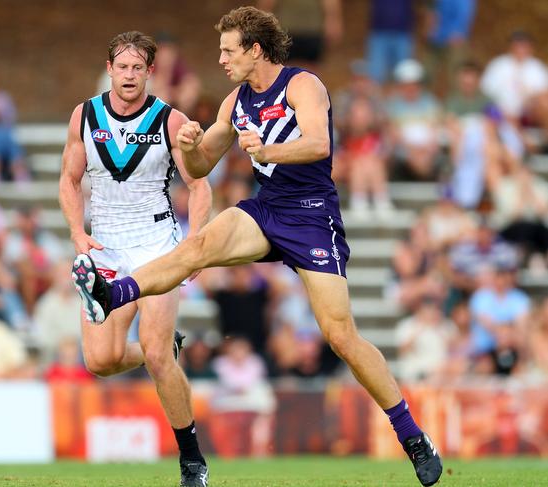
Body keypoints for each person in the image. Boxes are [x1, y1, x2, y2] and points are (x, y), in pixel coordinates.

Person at [74, 8, 442, 486]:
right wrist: (188, 144)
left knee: (340, 335)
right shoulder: (236, 102)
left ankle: (412, 436)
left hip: (312, 217)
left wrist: (265, 150)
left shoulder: (302, 85)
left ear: (254, 49)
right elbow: (204, 163)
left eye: (229, 50)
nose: (222, 59)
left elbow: (317, 145)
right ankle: (113, 295)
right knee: (198, 245)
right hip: (267, 210)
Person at [59, 32, 212, 486]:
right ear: (110, 68)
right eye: (121, 67)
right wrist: (76, 232)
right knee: (100, 361)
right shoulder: (85, 116)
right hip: (106, 248)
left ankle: (192, 463)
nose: (129, 75)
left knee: (158, 356)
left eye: (137, 67)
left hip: (157, 246)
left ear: (150, 71)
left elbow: (199, 184)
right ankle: (166, 346)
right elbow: (69, 180)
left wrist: (197, 241)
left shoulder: (169, 120)